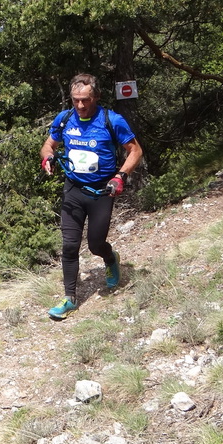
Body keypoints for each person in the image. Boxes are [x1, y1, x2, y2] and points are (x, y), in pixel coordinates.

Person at [40, 73, 143, 320]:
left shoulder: (111, 120)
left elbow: (135, 151)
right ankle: (69, 298)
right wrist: (48, 158)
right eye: (75, 100)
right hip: (73, 189)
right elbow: (48, 145)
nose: (80, 105)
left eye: (85, 100)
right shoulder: (65, 119)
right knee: (69, 245)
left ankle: (110, 258)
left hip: (101, 191)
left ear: (96, 97)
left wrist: (120, 176)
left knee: (96, 244)